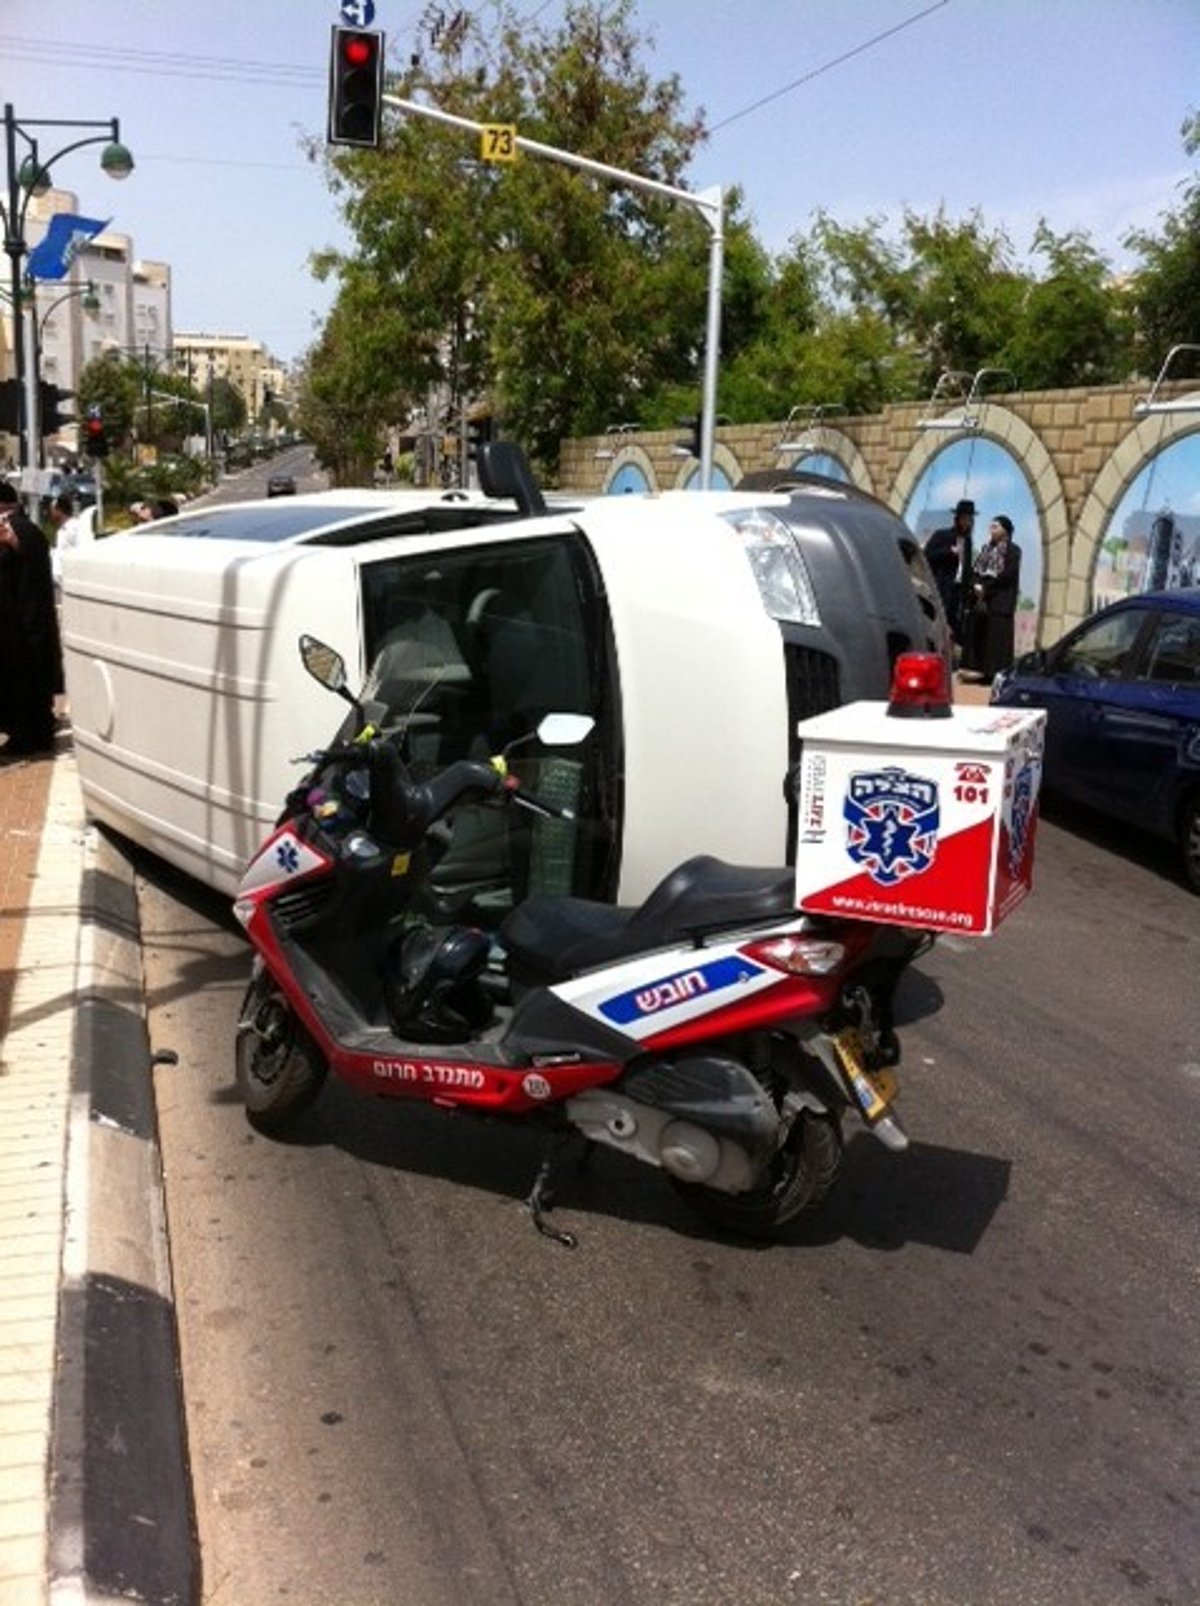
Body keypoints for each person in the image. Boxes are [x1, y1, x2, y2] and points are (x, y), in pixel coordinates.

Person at [0, 480, 64, 755]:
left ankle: (28, 736)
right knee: (32, 682)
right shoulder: (30, 529)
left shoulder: (16, 531)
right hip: (31, 620)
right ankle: (36, 729)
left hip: (20, 625)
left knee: (23, 681)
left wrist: (12, 543)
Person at [962, 514, 1021, 680]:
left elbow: (1007, 576)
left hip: (1000, 601)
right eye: (991, 526)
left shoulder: (1013, 551)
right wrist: (975, 585)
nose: (991, 529)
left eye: (996, 526)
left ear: (1006, 531)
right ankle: (977, 671)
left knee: (997, 640)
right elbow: (976, 570)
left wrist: (986, 589)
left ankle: (994, 675)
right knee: (980, 636)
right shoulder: (986, 549)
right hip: (982, 601)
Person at [923, 498, 975, 646]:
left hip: (959, 591)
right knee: (938, 622)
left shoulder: (968, 542)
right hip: (942, 588)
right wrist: (948, 551)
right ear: (957, 519)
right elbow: (927, 555)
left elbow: (966, 567)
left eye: (970, 520)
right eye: (965, 519)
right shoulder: (942, 535)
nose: (968, 523)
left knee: (955, 627)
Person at [48, 492, 95, 594]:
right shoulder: (61, 530)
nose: (50, 513)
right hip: (59, 584)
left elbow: (85, 549)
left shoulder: (76, 528)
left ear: (59, 510)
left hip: (71, 582)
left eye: (52, 509)